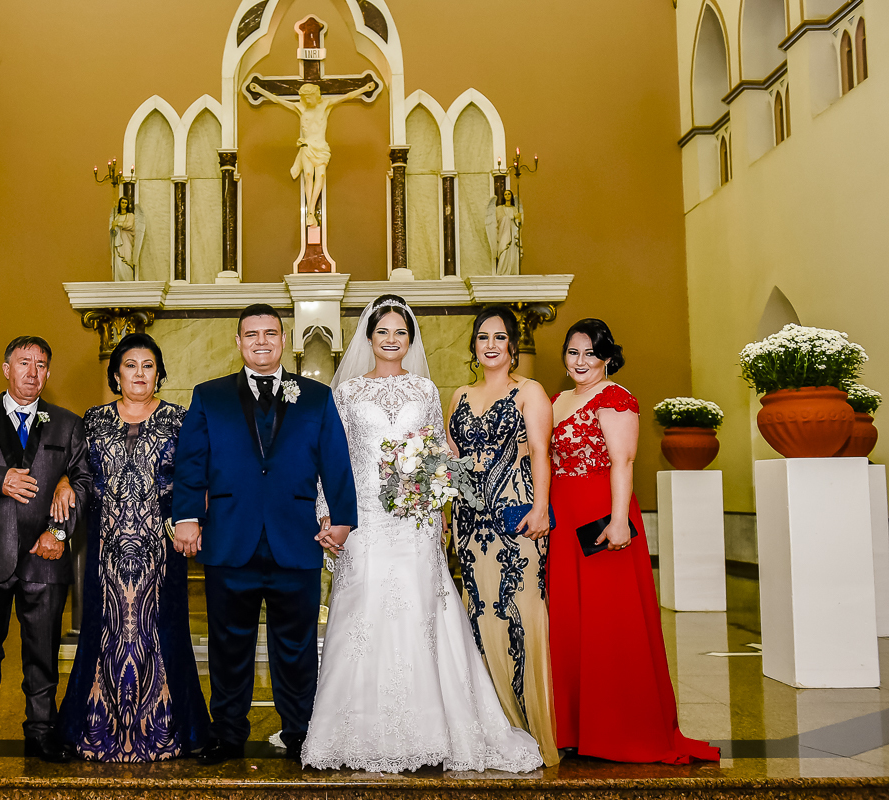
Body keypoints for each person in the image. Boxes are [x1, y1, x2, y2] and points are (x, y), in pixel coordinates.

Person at [302, 295, 543, 774]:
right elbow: (331, 460)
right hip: (365, 519)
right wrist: (329, 515)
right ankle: (354, 730)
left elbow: (440, 451)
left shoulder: (426, 391)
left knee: (420, 610)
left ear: (411, 340)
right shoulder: (345, 394)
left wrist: (436, 496)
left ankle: (434, 729)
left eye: (401, 332)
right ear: (368, 337)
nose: (392, 340)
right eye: (383, 331)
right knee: (363, 613)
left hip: (415, 522)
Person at [172, 303, 358, 765]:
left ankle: (300, 732)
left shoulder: (315, 397)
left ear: (283, 339)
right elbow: (192, 463)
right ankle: (229, 734)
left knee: (295, 647)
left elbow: (335, 460)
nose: (261, 341)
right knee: (228, 644)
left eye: (270, 333)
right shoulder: (208, 396)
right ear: (238, 342)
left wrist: (343, 518)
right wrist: (187, 516)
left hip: (295, 540)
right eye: (251, 334)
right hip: (229, 540)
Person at [547, 319, 719, 764]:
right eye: (573, 351)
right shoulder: (558, 399)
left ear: (606, 357)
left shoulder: (615, 397)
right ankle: (575, 729)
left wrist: (620, 521)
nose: (580, 361)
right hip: (563, 519)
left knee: (610, 620)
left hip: (603, 517)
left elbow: (622, 462)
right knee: (571, 621)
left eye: (590, 352)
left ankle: (620, 728)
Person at [56, 333, 209, 761]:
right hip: (105, 545)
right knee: (104, 628)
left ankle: (175, 730)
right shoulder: (93, 420)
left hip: (161, 546)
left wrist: (191, 520)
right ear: (116, 373)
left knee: (164, 631)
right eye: (130, 365)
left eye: (147, 365)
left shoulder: (181, 420)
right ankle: (93, 729)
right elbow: (77, 470)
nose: (139, 373)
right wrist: (66, 481)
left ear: (158, 372)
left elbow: (199, 475)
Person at [0, 336, 92, 769]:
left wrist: (58, 534)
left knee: (42, 651)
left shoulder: (67, 424)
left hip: (45, 556)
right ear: (6, 368)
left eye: (41, 365)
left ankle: (42, 732)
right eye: (24, 363)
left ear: (48, 372)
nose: (33, 372)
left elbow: (83, 482)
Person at [446, 305, 559, 766]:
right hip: (471, 527)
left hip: (517, 519)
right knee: (479, 618)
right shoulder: (458, 395)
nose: (490, 345)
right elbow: (450, 458)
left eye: (499, 337)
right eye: (482, 337)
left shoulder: (529, 392)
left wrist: (540, 510)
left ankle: (531, 727)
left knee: (522, 615)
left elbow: (539, 452)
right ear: (474, 347)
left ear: (512, 345)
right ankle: (493, 726)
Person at [248, 81, 377, 227]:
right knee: (308, 175)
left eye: (309, 97)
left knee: (320, 175)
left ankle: (311, 210)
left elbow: (346, 96)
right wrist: (259, 89)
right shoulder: (300, 108)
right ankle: (310, 213)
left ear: (316, 96)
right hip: (307, 146)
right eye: (305, 98)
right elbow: (278, 100)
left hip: (321, 146)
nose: (307, 101)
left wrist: (364, 88)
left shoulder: (325, 105)